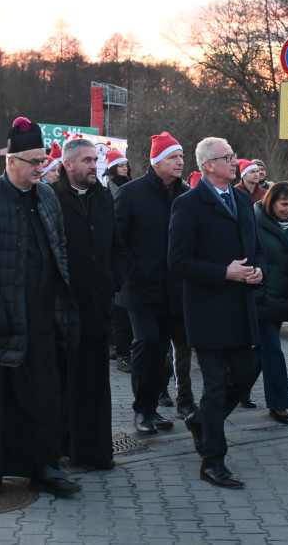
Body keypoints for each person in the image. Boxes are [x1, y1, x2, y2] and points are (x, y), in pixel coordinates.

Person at [0, 117, 80, 498]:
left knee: (42, 395)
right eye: (35, 161)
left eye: (44, 160)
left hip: (41, 317)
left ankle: (42, 466)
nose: (43, 167)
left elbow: (59, 251)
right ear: (11, 161)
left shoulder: (47, 197)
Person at [169, 137, 264, 489]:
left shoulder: (242, 198)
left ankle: (200, 422)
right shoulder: (188, 204)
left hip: (242, 307)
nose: (235, 161)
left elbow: (257, 249)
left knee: (244, 374)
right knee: (213, 385)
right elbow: (178, 262)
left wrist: (259, 271)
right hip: (208, 310)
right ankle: (213, 462)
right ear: (209, 165)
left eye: (234, 155)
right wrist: (224, 272)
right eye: (229, 157)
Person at [52, 138, 125, 470]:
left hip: (98, 305)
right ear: (68, 165)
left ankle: (95, 452)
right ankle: (59, 448)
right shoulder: (51, 198)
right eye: (86, 160)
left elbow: (117, 244)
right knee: (64, 380)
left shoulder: (104, 196)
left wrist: (114, 279)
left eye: (95, 159)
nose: (93, 165)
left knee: (96, 382)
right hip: (63, 307)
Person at [115, 132, 190, 433]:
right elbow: (118, 239)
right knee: (146, 343)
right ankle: (142, 411)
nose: (179, 162)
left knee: (163, 350)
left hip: (174, 289)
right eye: (173, 157)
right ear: (156, 161)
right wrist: (134, 270)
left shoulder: (186, 193)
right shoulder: (132, 193)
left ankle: (154, 407)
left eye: (182, 157)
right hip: (140, 288)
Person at [250, 181, 288, 424]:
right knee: (273, 351)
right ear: (272, 201)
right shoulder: (254, 223)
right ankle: (278, 404)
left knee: (260, 352)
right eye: (283, 204)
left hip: (282, 299)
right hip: (261, 299)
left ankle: (236, 389)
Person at [103, 149, 134, 371]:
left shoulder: (132, 187)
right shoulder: (107, 189)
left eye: (126, 165)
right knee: (118, 307)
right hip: (113, 250)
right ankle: (119, 349)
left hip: (129, 251)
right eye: (120, 165)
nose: (124, 168)